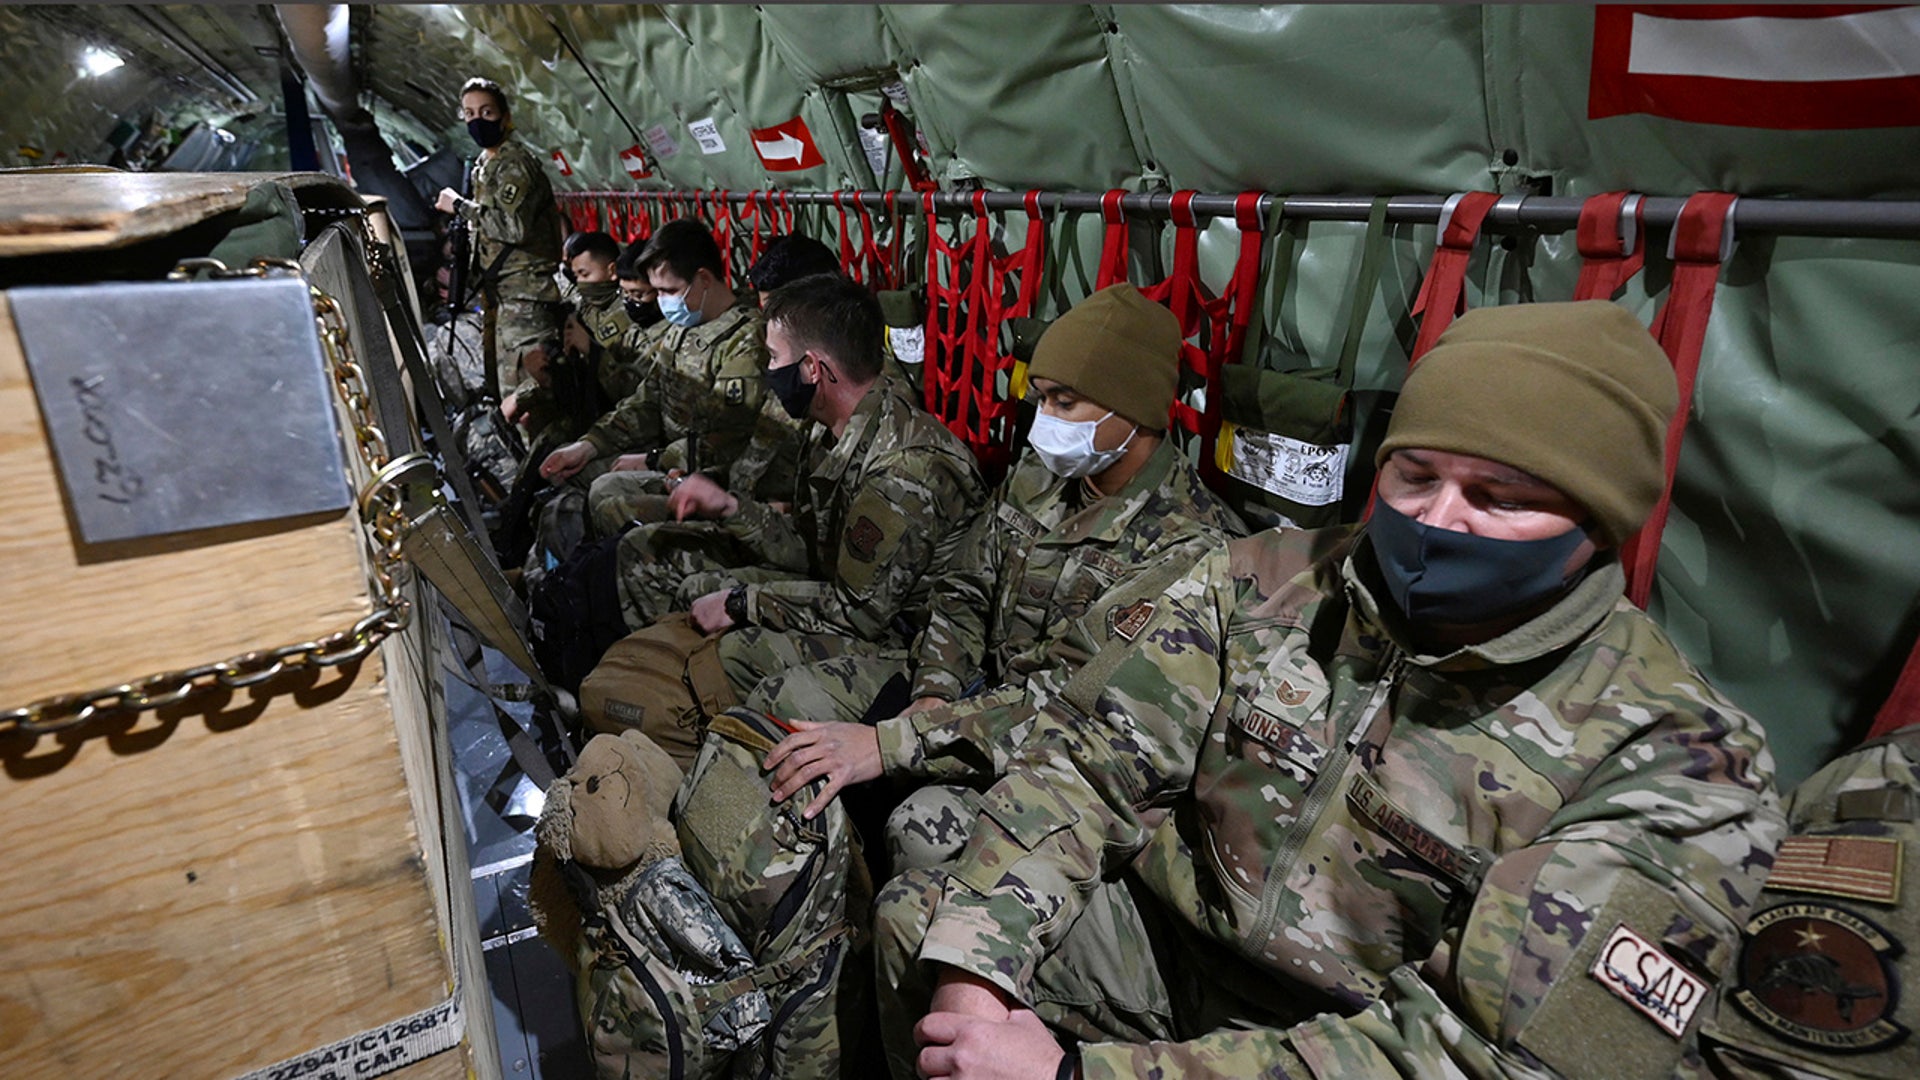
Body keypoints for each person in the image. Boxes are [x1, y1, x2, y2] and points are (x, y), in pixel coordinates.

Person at [873, 300, 1787, 1080]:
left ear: (1599, 523)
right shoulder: (1261, 582)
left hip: (1355, 1039)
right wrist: (975, 983)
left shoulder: (1680, 762)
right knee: (922, 924)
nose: (1438, 521)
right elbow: (1083, 766)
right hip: (1174, 958)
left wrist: (1080, 1074)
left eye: (1500, 497)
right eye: (1416, 475)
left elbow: (1481, 1058)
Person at [753, 285, 1245, 870]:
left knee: (920, 830)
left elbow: (1073, 704)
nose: (1046, 423)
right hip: (966, 696)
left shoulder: (1188, 548)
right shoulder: (1037, 476)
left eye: (1066, 403)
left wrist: (902, 741)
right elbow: (964, 588)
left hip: (1062, 754)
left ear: (1133, 412)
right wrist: (933, 688)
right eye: (1040, 399)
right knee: (786, 704)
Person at [613, 273, 988, 724]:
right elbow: (809, 548)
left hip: (912, 642)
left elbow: (859, 615)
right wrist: (729, 507)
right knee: (684, 577)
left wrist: (740, 603)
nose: (769, 373)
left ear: (812, 368)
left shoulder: (901, 472)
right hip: (851, 599)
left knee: (739, 648)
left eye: (774, 358)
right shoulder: (829, 428)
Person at [536, 219, 782, 527]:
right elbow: (648, 399)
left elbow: (727, 440)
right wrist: (590, 444)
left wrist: (655, 459)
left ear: (704, 278)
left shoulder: (746, 340)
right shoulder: (682, 329)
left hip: (712, 479)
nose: (665, 302)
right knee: (570, 476)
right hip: (672, 460)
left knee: (606, 495)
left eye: (669, 290)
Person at [434, 76, 563, 403]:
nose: (478, 121)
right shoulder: (484, 164)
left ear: (505, 116)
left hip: (525, 296)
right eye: (470, 113)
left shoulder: (514, 163)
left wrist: (460, 207)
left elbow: (513, 228)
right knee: (501, 389)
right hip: (499, 293)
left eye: (486, 112)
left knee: (527, 392)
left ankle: (550, 452)